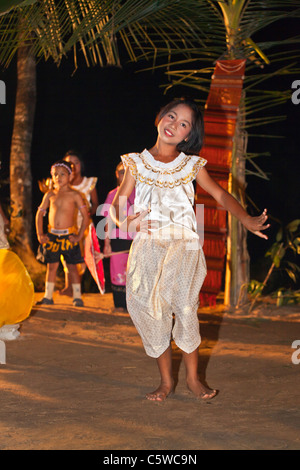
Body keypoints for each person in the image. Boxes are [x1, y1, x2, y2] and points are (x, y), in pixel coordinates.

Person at [110, 97, 270, 402]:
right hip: (147, 249)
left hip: (183, 246)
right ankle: (166, 382)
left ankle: (194, 379)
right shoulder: (135, 163)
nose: (174, 125)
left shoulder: (190, 165)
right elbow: (118, 204)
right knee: (152, 310)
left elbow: (220, 195)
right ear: (159, 117)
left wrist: (246, 219)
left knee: (184, 305)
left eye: (184, 124)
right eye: (171, 116)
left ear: (188, 135)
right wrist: (126, 224)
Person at [35, 160, 89, 306]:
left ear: (70, 176)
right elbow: (39, 214)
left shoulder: (75, 195)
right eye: (55, 175)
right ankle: (48, 296)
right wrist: (40, 234)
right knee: (51, 266)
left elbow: (86, 215)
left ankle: (77, 296)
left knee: (72, 267)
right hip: (52, 235)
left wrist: (79, 236)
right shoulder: (49, 195)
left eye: (62, 174)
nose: (58, 177)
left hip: (68, 237)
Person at [60, 150, 99, 296]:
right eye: (69, 163)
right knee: (66, 254)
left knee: (81, 256)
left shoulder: (89, 183)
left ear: (81, 165)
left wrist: (88, 213)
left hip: (83, 225)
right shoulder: (62, 185)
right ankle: (67, 286)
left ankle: (76, 287)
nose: (73, 166)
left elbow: (95, 204)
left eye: (76, 162)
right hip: (67, 225)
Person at [100, 162, 135, 310]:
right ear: (116, 174)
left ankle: (134, 306)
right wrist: (106, 243)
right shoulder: (112, 194)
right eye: (122, 172)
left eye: (128, 171)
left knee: (135, 272)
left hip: (136, 238)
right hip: (117, 238)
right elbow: (108, 219)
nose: (125, 175)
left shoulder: (140, 193)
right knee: (118, 270)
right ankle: (120, 304)